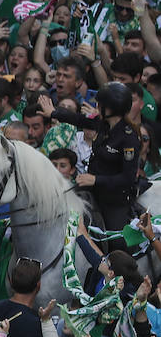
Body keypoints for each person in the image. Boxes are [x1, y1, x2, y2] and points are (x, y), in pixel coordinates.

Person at [38, 85, 142, 233]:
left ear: (112, 109)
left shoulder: (129, 138)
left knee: (116, 241)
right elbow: (78, 119)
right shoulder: (103, 124)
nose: (97, 107)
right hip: (91, 189)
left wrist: (95, 180)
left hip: (113, 199)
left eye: (100, 104)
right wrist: (54, 112)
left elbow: (127, 178)